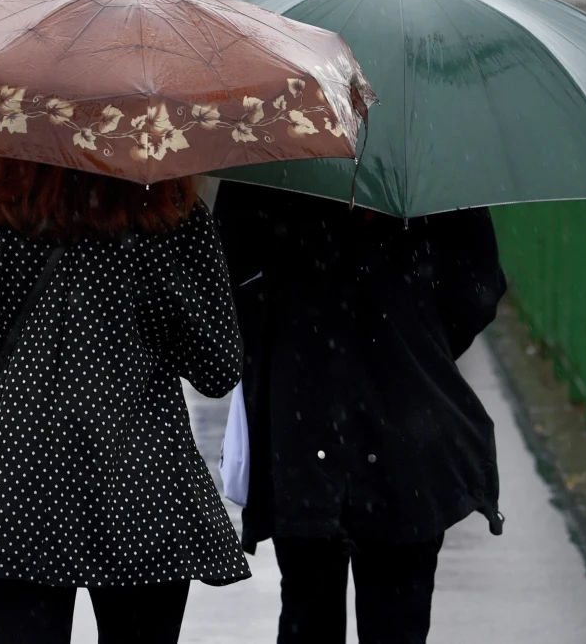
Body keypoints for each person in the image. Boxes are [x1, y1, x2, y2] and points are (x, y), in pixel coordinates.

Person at [0, 158, 251, 644]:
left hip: (12, 483)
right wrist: (156, 259)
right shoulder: (168, 207)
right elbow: (218, 368)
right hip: (141, 488)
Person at [212, 182, 508, 644]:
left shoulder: (271, 156)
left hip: (302, 424)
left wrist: (289, 337)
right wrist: (418, 342)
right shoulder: (428, 163)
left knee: (307, 610)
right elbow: (478, 289)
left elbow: (229, 279)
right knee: (399, 615)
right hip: (407, 429)